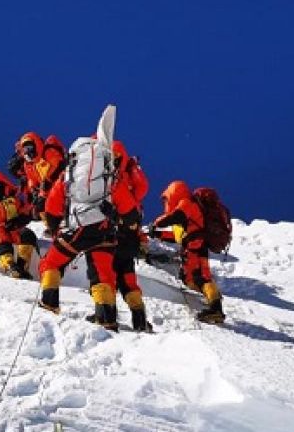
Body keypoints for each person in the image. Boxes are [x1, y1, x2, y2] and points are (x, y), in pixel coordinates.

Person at [38, 138, 119, 329]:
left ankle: (49, 303)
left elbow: (51, 206)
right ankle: (106, 318)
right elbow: (127, 205)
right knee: (102, 273)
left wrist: (55, 227)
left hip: (80, 227)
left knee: (52, 262)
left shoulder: (68, 176)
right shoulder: (108, 176)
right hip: (106, 231)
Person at [87, 140, 153, 331]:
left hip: (109, 232)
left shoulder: (108, 179)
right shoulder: (129, 179)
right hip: (129, 236)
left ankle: (105, 315)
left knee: (102, 274)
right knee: (128, 280)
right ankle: (140, 320)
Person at [151, 180, 225, 323]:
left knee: (199, 277)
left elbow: (175, 217)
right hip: (198, 245)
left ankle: (215, 308)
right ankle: (213, 297)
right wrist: (159, 234)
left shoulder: (186, 203)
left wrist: (156, 223)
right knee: (196, 277)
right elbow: (179, 237)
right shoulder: (192, 209)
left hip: (195, 246)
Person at [15, 132, 66, 220]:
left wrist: (46, 183)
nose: (28, 151)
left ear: (36, 144)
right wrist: (34, 191)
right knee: (40, 208)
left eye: (29, 147)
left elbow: (58, 165)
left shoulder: (48, 152)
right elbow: (32, 180)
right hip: (50, 191)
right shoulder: (30, 166)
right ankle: (52, 226)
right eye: (25, 149)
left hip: (62, 183)